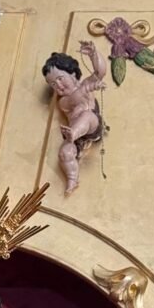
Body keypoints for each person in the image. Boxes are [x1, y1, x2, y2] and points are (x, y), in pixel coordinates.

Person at [43, 45, 107, 195]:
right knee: (64, 153)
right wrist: (91, 87)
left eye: (60, 79)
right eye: (53, 84)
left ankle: (73, 133)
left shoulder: (84, 85)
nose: (58, 85)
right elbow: (75, 97)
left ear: (72, 73)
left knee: (86, 116)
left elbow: (100, 72)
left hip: (92, 125)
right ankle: (72, 178)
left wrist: (94, 55)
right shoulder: (63, 102)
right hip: (77, 137)